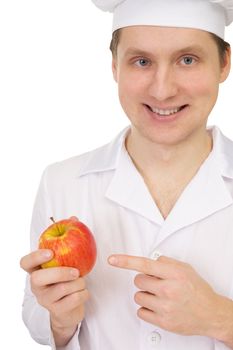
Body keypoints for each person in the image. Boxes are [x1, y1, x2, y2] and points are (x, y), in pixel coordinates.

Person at [20, 0, 233, 349]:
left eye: (188, 60)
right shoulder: (63, 182)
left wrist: (221, 318)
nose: (162, 89)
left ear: (224, 63)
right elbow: (35, 316)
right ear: (115, 67)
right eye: (142, 61)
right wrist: (58, 319)